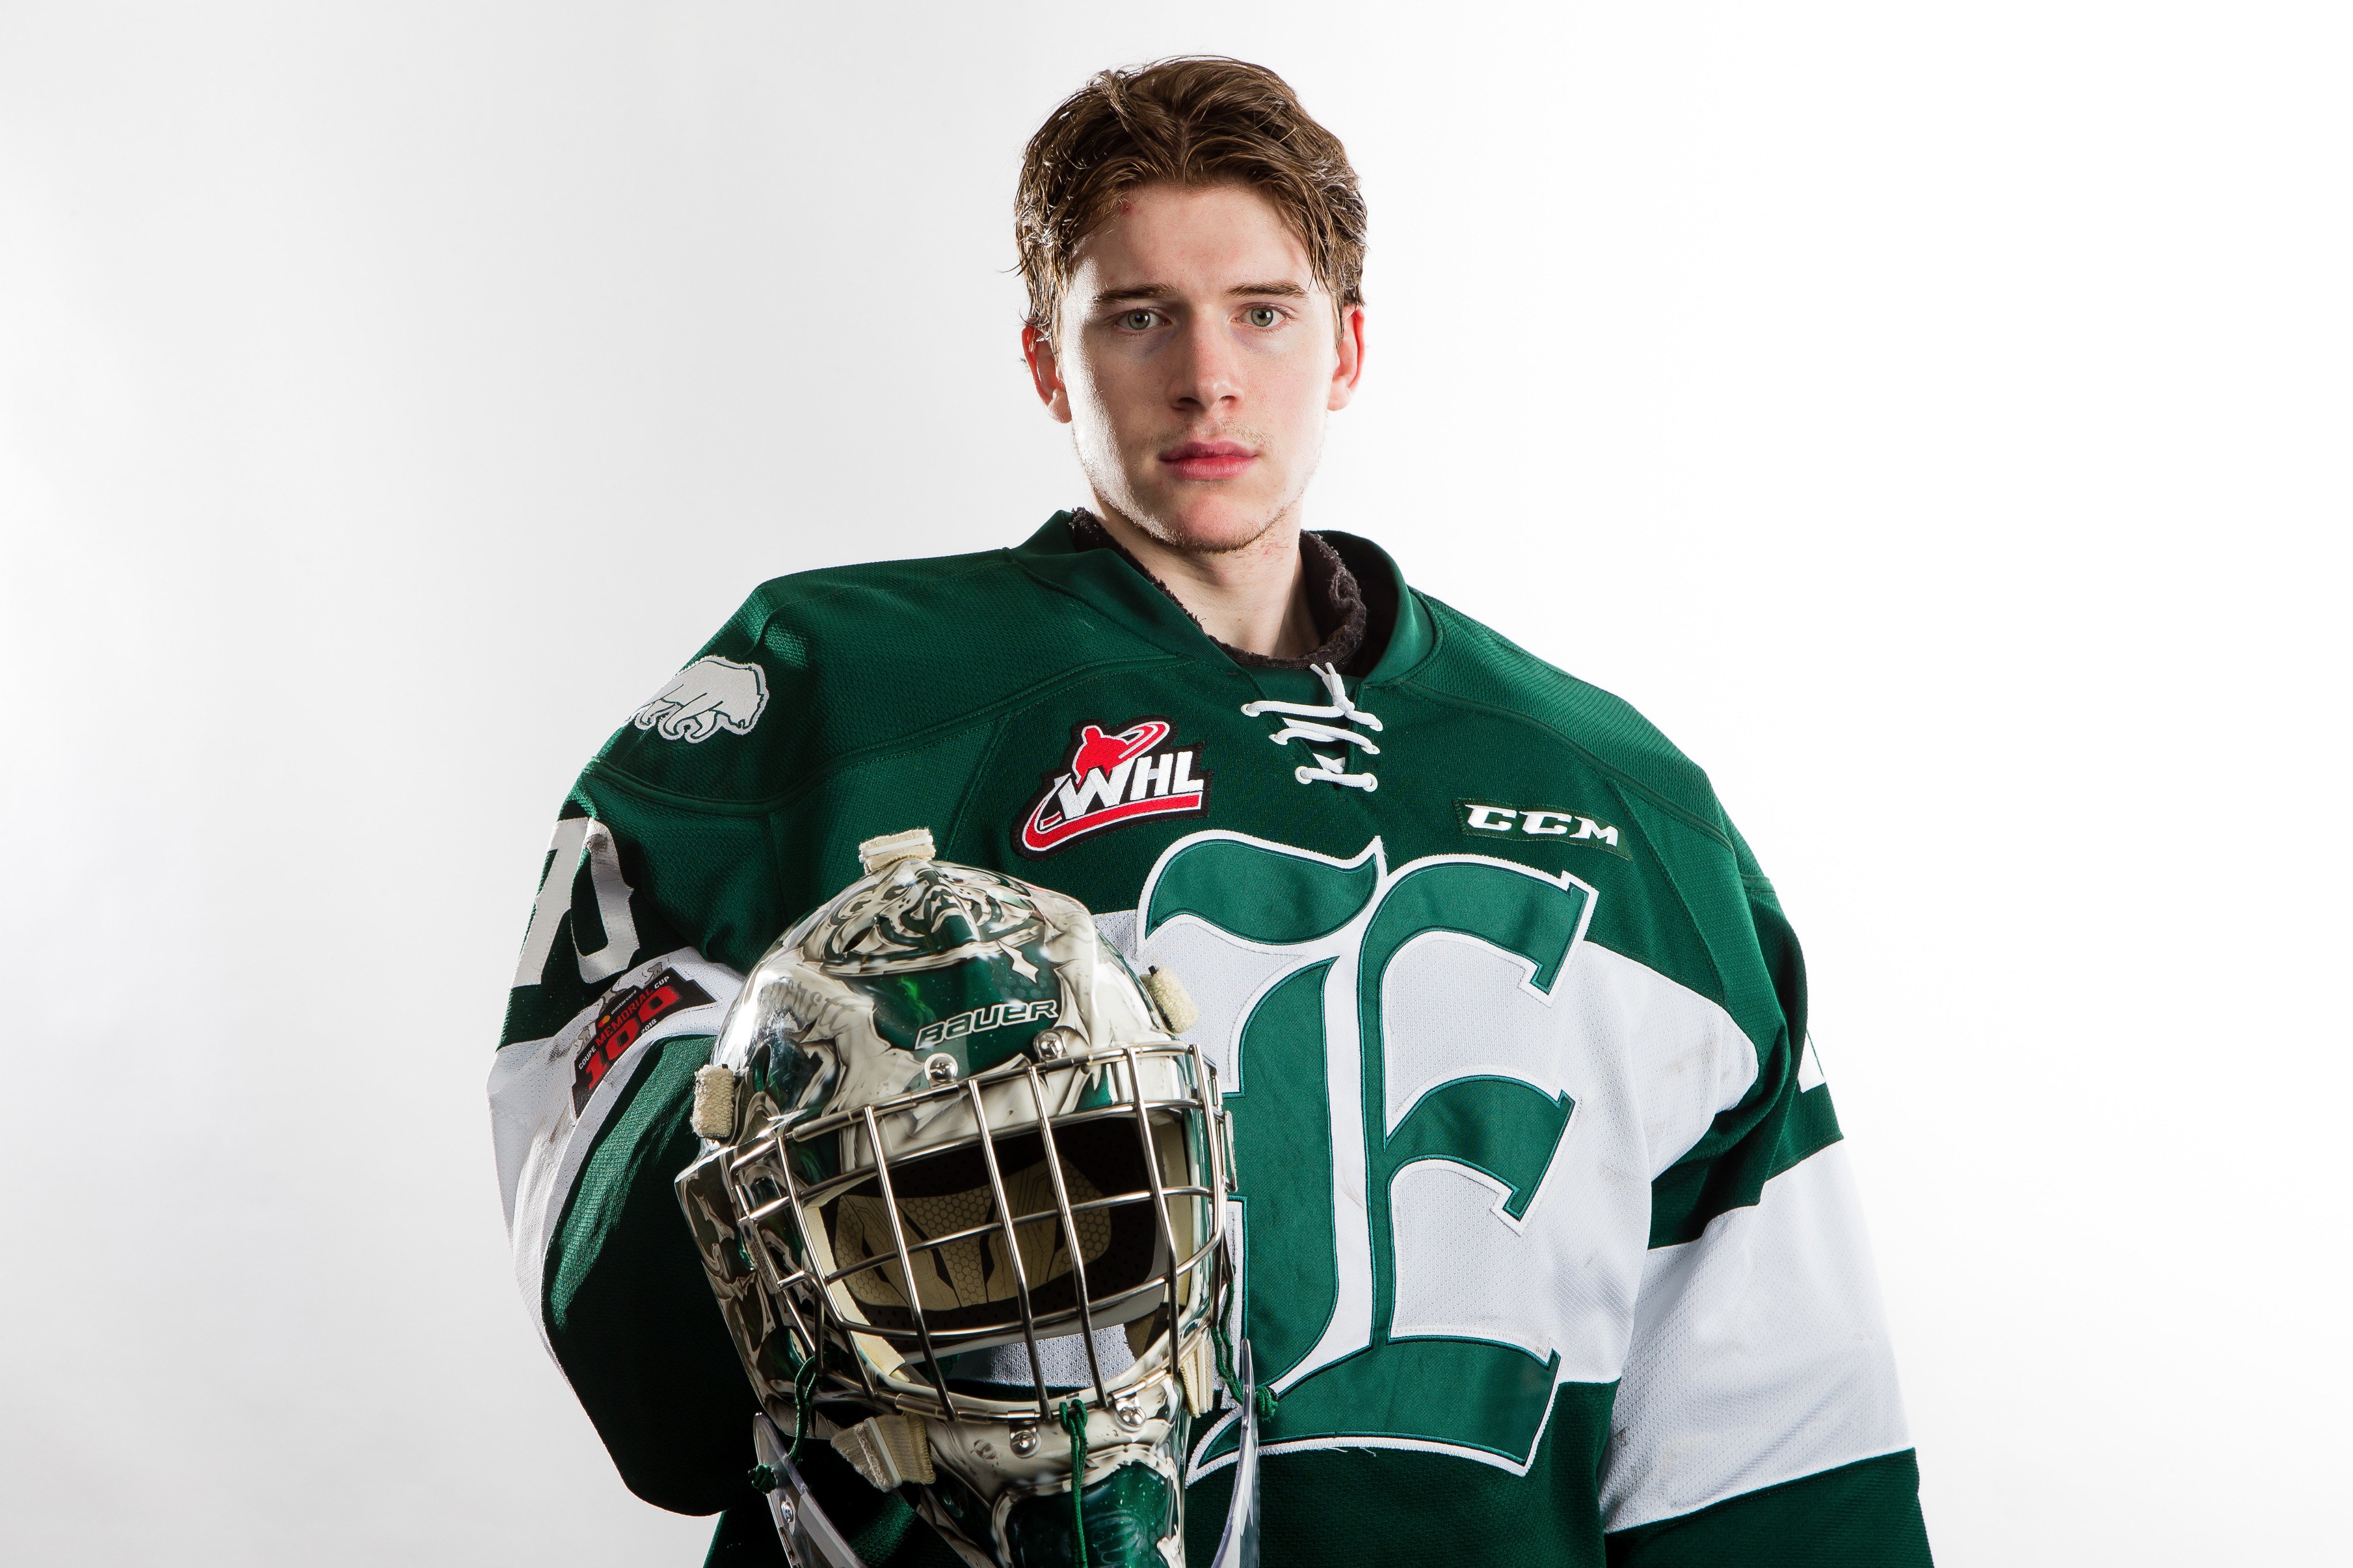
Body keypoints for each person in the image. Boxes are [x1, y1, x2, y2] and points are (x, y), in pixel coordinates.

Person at [488, 55, 1933, 1567]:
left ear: (1350, 347)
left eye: (1263, 310)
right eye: (1138, 315)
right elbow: (609, 1221)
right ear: (1051, 361)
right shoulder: (838, 697)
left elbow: (1775, 1429)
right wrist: (753, 1117)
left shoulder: (1627, 801)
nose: (1207, 378)